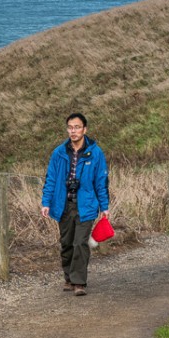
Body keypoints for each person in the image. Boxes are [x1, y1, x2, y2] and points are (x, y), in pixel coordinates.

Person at [41, 112, 110, 295]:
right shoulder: (59, 153)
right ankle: (68, 278)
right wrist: (46, 202)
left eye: (77, 127)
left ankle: (79, 282)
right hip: (63, 204)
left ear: (84, 129)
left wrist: (104, 206)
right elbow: (51, 179)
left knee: (80, 242)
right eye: (70, 127)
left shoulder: (95, 153)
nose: (74, 131)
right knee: (67, 243)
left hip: (86, 204)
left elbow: (101, 181)